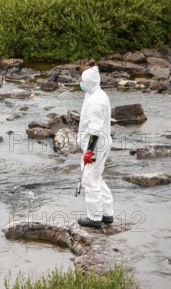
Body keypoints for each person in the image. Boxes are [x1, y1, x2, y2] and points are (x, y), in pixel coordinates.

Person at [77, 65, 114, 228]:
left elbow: (95, 130)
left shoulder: (95, 100)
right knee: (97, 177)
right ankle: (107, 213)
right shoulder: (96, 93)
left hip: (97, 145)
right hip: (100, 143)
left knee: (90, 179)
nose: (81, 83)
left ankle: (95, 217)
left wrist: (90, 151)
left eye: (82, 80)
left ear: (89, 82)